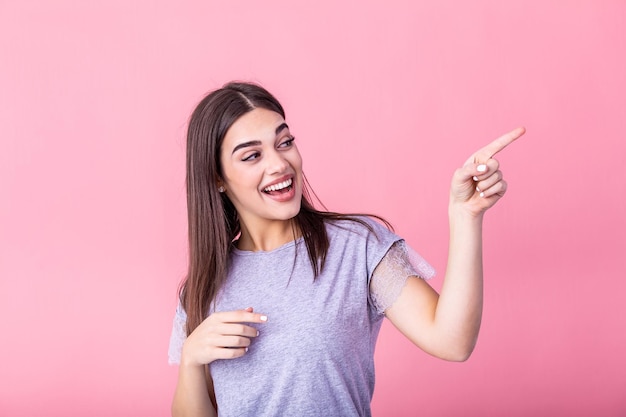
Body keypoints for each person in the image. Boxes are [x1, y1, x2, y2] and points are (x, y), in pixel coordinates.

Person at [168, 81, 525, 417]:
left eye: (284, 142)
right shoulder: (202, 288)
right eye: (251, 156)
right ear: (216, 178)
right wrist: (191, 359)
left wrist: (465, 216)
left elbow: (453, 341)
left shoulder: (357, 245)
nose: (279, 164)